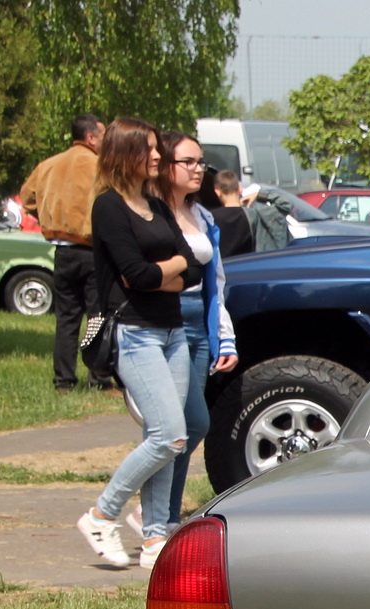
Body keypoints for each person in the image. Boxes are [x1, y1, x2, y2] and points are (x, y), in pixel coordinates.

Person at [76, 117, 202, 570]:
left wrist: (162, 275)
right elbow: (139, 275)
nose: (157, 156)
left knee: (171, 436)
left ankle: (153, 541)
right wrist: (168, 272)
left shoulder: (157, 203)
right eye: (148, 148)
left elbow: (193, 269)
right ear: (123, 153)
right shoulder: (109, 207)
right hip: (135, 333)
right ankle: (101, 515)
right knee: (168, 436)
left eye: (156, 148)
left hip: (173, 333)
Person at [137, 130, 238, 542]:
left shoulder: (204, 216)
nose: (199, 170)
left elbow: (217, 281)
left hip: (199, 322)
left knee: (190, 426)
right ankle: (153, 519)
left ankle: (166, 515)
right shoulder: (150, 214)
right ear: (166, 165)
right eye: (189, 162)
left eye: (202, 163)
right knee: (175, 426)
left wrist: (223, 336)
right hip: (163, 322)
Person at [18, 114, 110, 391]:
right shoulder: (100, 167)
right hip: (93, 252)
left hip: (62, 252)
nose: (106, 142)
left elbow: (27, 197)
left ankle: (64, 381)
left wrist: (49, 214)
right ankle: (99, 379)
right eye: (103, 136)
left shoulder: (48, 165)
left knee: (66, 319)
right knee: (97, 318)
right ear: (91, 137)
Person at [203, 168, 256, 257]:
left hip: (223, 267)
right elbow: (284, 205)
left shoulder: (210, 217)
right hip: (249, 264)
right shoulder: (253, 215)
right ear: (240, 189)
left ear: (217, 192)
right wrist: (259, 194)